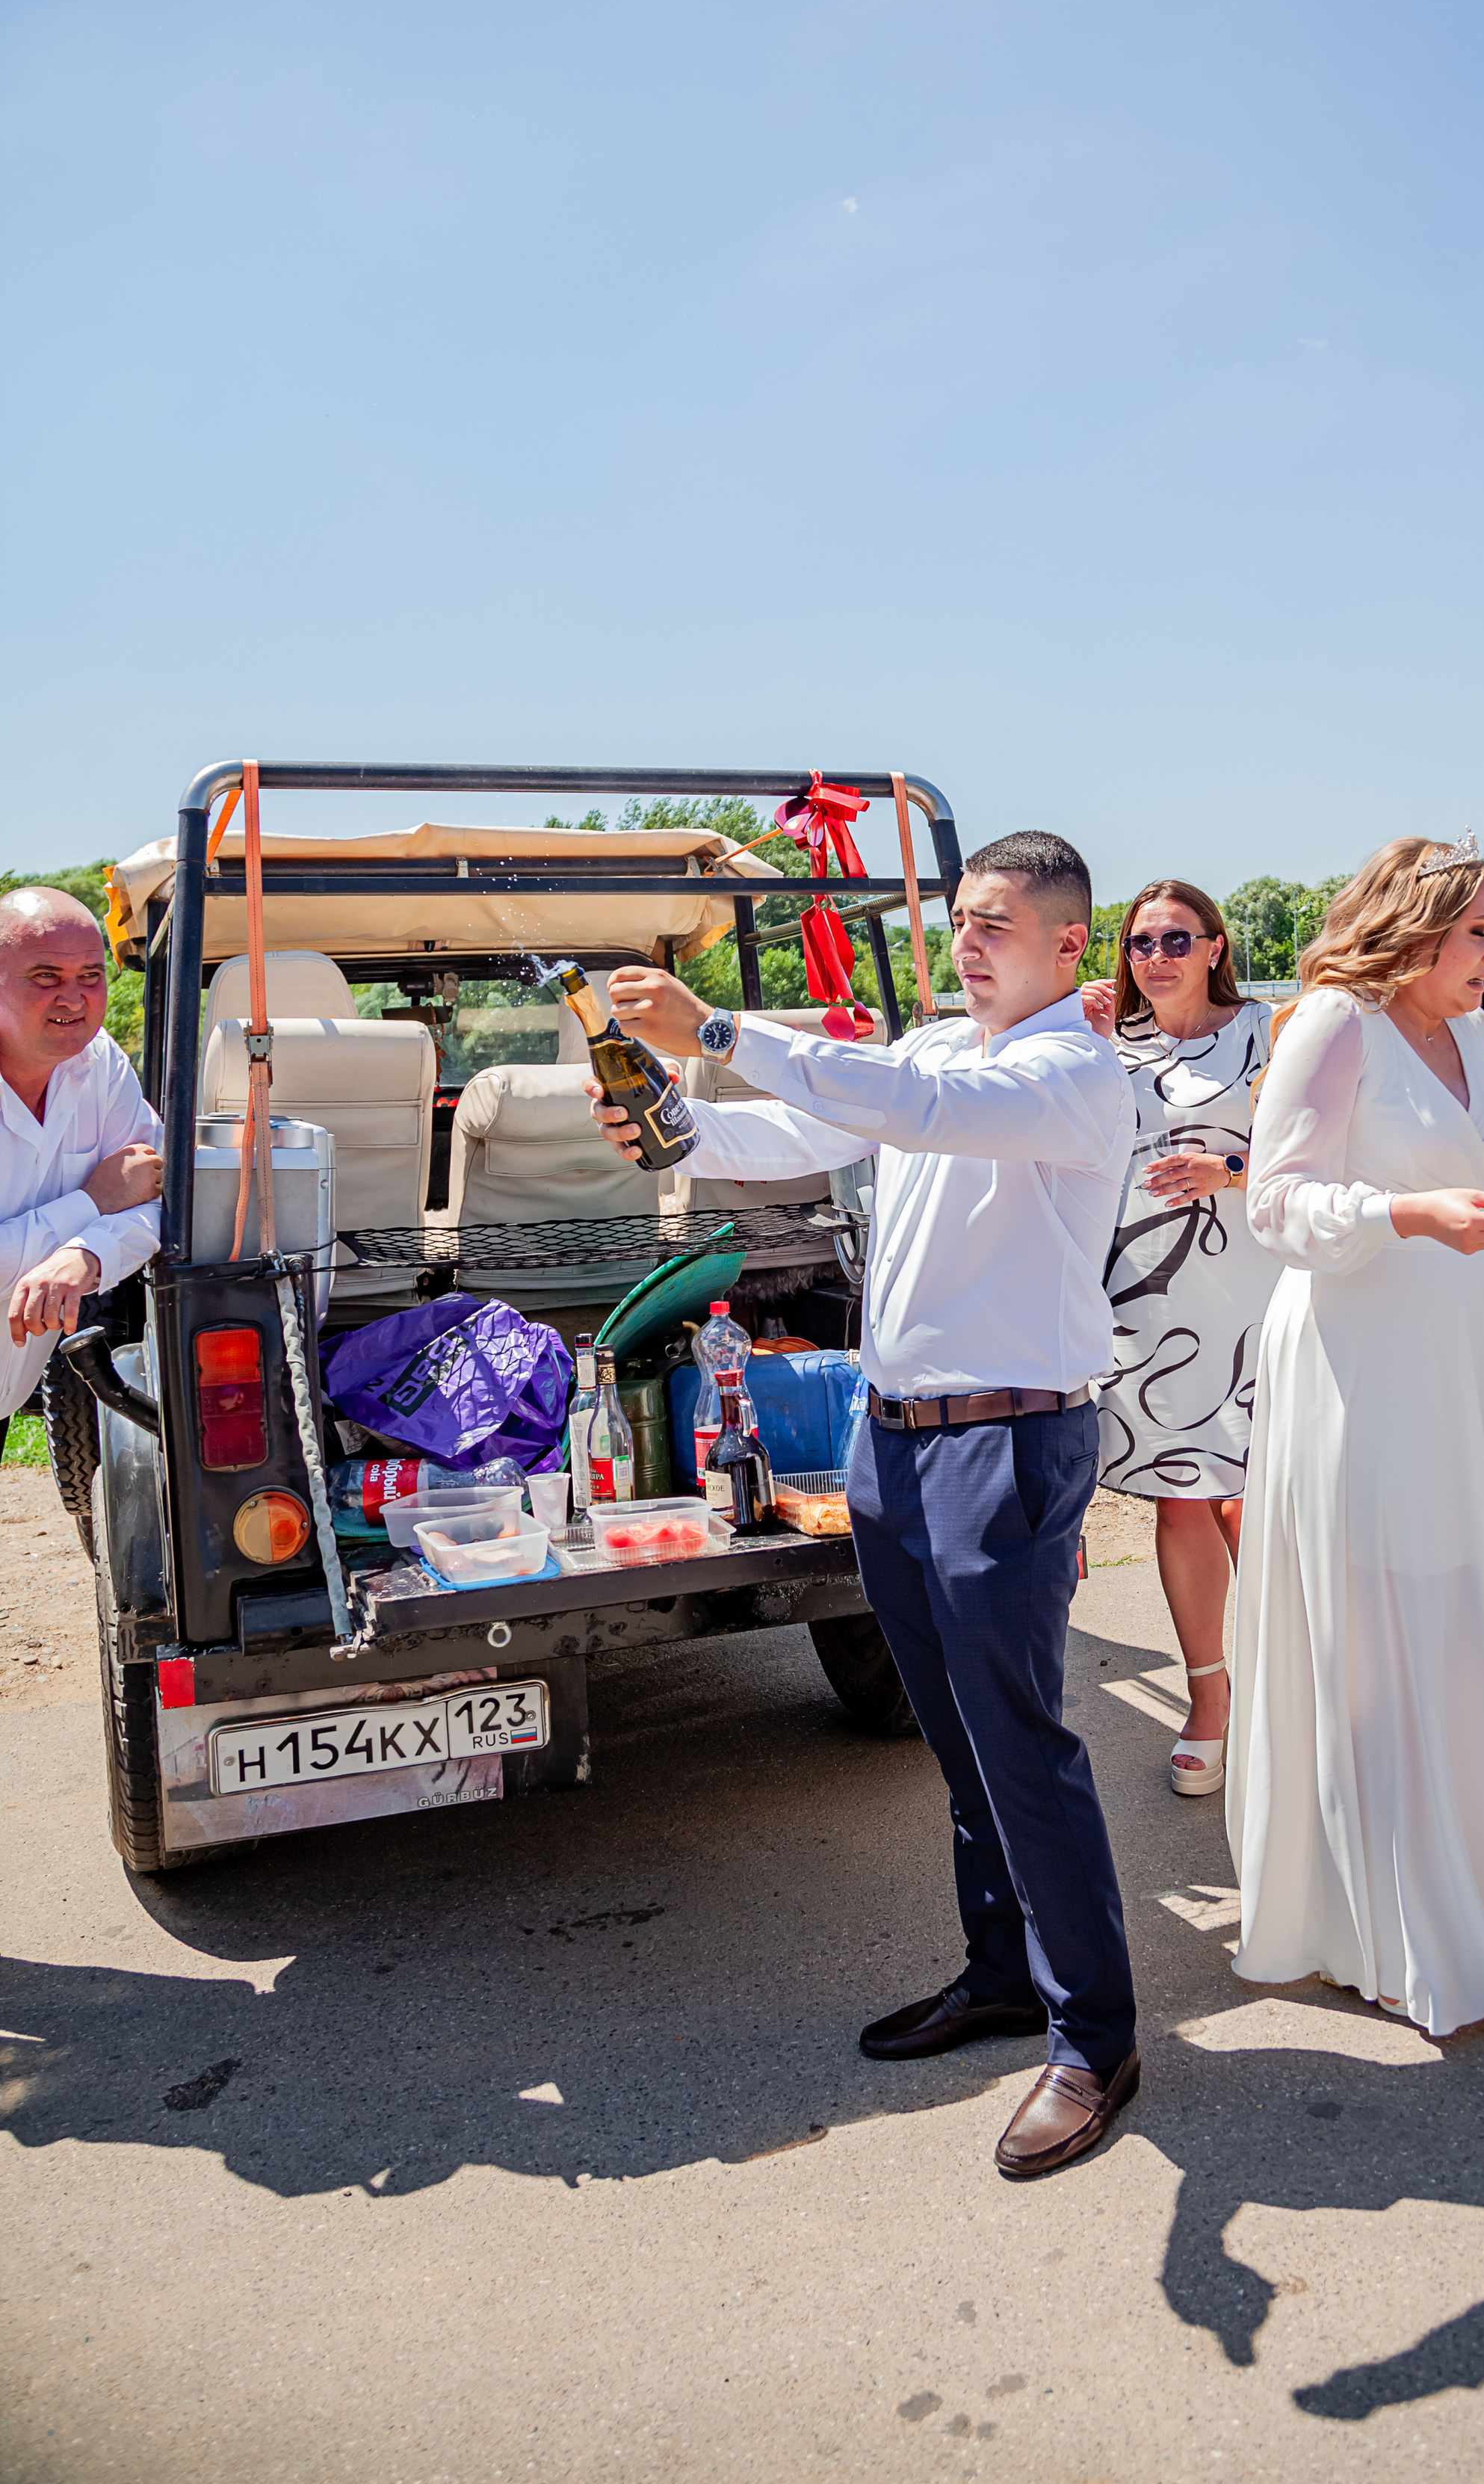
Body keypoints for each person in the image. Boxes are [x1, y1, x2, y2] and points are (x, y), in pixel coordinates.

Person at [590, 832, 1143, 2179]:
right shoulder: (941, 1055)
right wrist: (682, 1119)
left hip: (1007, 1441)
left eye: (1000, 923)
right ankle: (1001, 1974)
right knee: (955, 1741)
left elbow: (912, 1108)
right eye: (963, 918)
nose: (970, 939)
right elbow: (819, 1122)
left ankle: (1097, 2038)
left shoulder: (1072, 1070)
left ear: (1072, 946)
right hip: (892, 1440)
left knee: (1022, 1744)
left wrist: (718, 1025)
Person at [1228, 833, 1484, 2035]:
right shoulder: (1330, 1025)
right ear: (1413, 928)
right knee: (1377, 1612)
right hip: (1357, 1354)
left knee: (1467, 1605)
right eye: (1482, 933)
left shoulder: (1468, 1037)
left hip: (1462, 1347)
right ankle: (1382, 1913)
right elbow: (1274, 1203)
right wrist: (1407, 1212)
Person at [1080, 881, 1276, 1796]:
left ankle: (1297, 1694)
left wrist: (1228, 1168)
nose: (1151, 957)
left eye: (1172, 939)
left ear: (1213, 946)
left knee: (1264, 1502)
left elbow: (1321, 1153)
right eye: (1137, 943)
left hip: (1254, 1293)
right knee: (1181, 1497)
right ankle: (1210, 1698)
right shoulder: (1107, 1047)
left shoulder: (1266, 1033)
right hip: (1145, 1305)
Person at [2, 889, 164, 1459]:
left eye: (91, 974)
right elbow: (122, 1193)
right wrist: (91, 1203)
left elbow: (158, 1197)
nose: (73, 997)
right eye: (46, 975)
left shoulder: (100, 1065)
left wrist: (87, 1257)